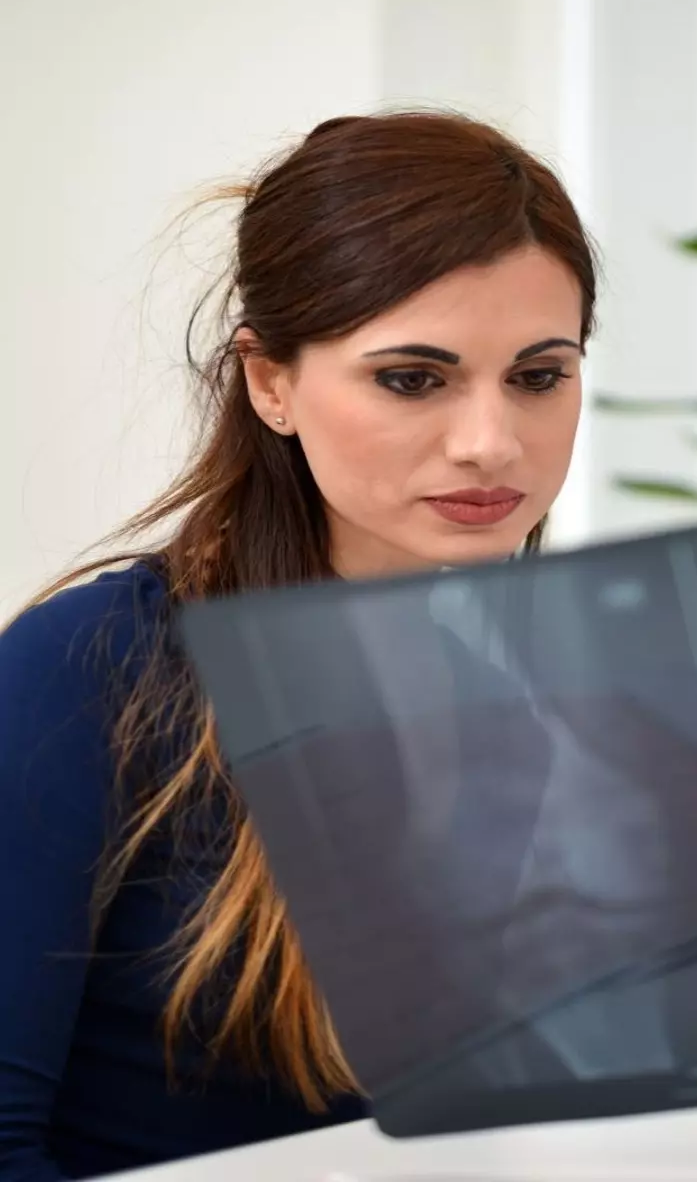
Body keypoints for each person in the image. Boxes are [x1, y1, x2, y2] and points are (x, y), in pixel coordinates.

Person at [0, 110, 596, 1180]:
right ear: (270, 383)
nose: (491, 443)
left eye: (539, 376)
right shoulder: (87, 674)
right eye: (413, 379)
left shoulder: (542, 701)